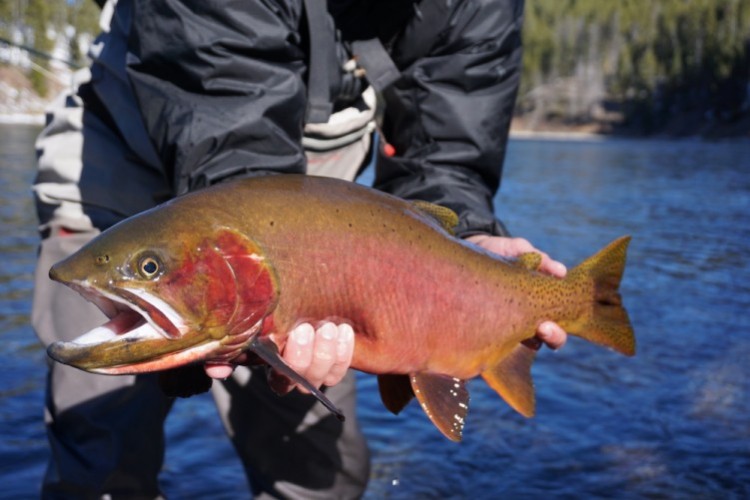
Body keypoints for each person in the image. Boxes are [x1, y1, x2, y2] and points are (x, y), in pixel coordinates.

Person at [32, 0, 567, 498]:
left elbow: (445, 149)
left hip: (317, 233)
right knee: (96, 455)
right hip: (121, 189)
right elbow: (229, 134)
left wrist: (464, 244)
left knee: (318, 474)